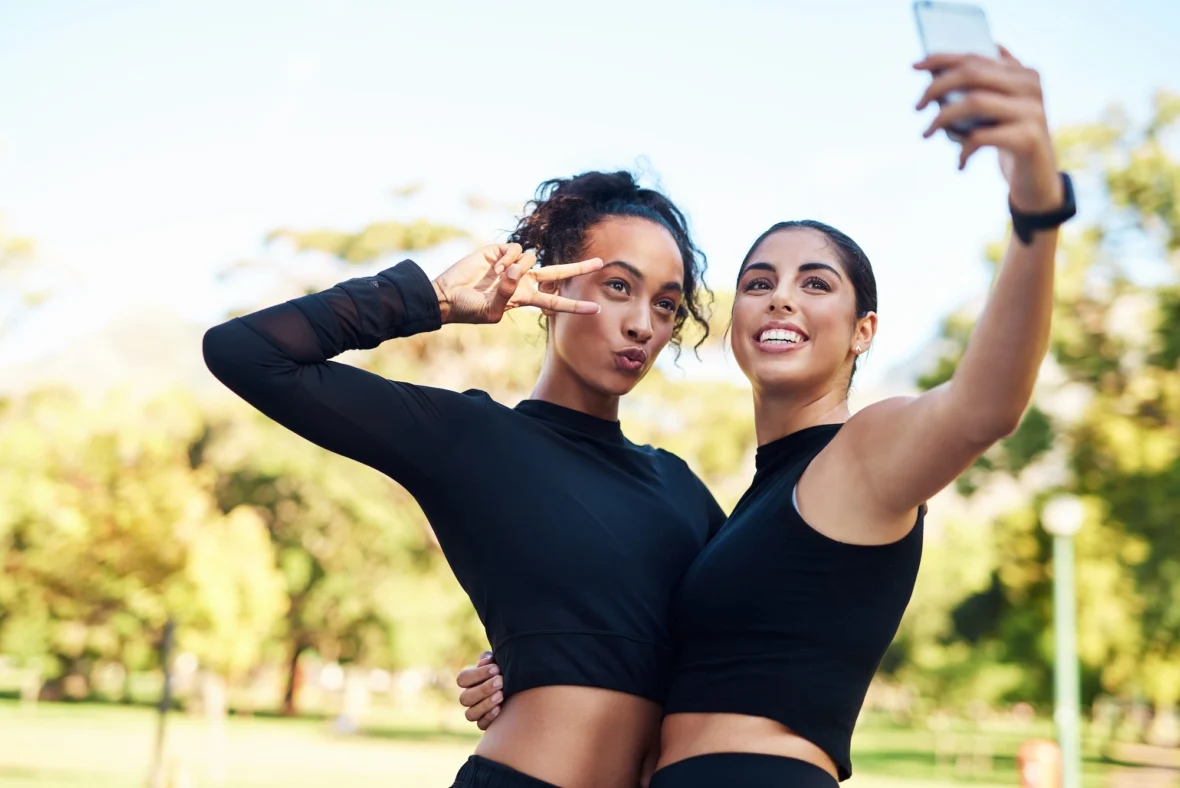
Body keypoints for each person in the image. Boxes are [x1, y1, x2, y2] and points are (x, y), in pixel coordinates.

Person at [459, 45, 1075, 786]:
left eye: (815, 283)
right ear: (734, 320)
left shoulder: (865, 452)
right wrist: (532, 662)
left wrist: (1037, 206)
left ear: (863, 333)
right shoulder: (742, 513)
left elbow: (986, 404)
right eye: (759, 282)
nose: (782, 297)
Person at [202, 171, 727, 788]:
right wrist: (436, 300)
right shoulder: (469, 438)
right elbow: (247, 352)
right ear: (550, 279)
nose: (643, 323)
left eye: (665, 304)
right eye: (617, 286)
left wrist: (532, 660)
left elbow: (732, 649)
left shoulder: (681, 488)